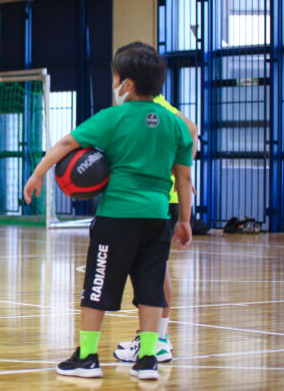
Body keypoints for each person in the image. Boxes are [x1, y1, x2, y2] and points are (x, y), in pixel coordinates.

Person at [23, 42, 193, 381]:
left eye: (116, 77)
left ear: (126, 84)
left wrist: (38, 173)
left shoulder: (112, 117)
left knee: (97, 284)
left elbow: (67, 144)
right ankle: (148, 358)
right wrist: (185, 220)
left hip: (117, 216)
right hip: (158, 216)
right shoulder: (176, 125)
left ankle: (87, 356)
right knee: (150, 288)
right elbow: (184, 177)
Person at [114, 93, 198, 364]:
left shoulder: (156, 107)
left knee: (154, 270)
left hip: (162, 199)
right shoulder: (145, 107)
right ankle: (154, 337)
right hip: (157, 199)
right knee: (152, 270)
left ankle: (159, 340)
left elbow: (191, 128)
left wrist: (182, 169)